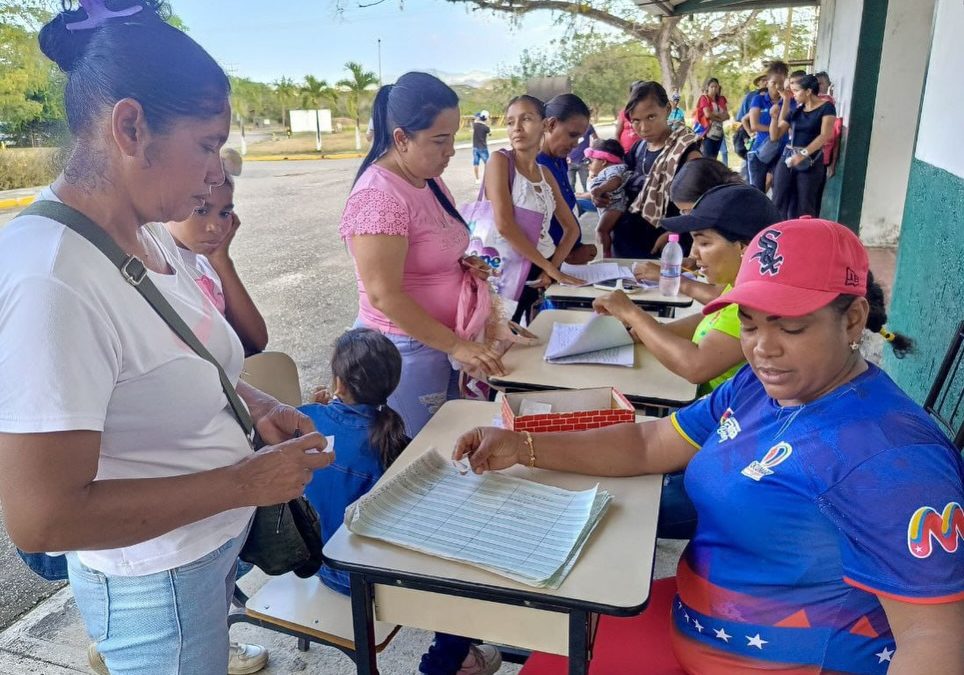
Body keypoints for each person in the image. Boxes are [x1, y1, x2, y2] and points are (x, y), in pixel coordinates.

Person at [454, 217, 964, 675]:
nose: (763, 347)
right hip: (695, 619)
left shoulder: (894, 460)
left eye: (790, 326)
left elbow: (935, 640)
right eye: (748, 322)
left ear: (852, 320)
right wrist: (523, 446)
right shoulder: (760, 385)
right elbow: (652, 441)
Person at [0, 3, 335, 674]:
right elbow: (43, 519)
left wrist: (256, 406)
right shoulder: (52, 278)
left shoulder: (148, 231)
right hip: (157, 589)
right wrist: (245, 482)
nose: (217, 172)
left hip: (203, 557)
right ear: (131, 127)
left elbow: (176, 355)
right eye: (207, 144)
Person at [301, 328, 502, 675]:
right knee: (459, 571)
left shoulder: (305, 420)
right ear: (392, 385)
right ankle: (447, 663)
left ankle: (460, 659)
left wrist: (319, 408)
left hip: (323, 568)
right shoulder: (395, 444)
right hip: (374, 584)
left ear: (338, 383)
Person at [340, 71, 505, 439]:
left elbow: (429, 246)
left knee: (455, 439)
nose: (450, 151)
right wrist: (458, 346)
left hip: (440, 342)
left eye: (453, 138)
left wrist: (459, 264)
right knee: (423, 450)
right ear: (401, 138)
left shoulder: (426, 176)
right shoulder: (378, 196)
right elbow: (385, 295)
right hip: (404, 350)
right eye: (440, 140)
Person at [486, 95, 582, 323]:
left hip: (539, 275)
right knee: (499, 338)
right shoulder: (499, 161)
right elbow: (504, 225)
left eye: (526, 119)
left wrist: (552, 268)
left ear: (545, 125)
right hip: (507, 272)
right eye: (510, 122)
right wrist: (550, 267)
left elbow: (572, 229)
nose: (516, 128)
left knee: (531, 338)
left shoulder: (544, 173)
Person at [165, 148, 268, 356]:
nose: (216, 226)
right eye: (201, 210)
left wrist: (221, 259)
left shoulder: (206, 264)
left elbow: (257, 340)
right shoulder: (163, 267)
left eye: (225, 213)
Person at [604, 81, 702, 259]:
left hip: (666, 249)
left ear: (668, 110)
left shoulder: (687, 153)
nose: (643, 128)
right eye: (636, 121)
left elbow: (703, 206)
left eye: (651, 117)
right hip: (628, 246)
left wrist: (679, 235)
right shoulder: (638, 149)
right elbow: (622, 182)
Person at [536, 93, 598, 265]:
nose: (576, 144)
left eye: (579, 138)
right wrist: (565, 257)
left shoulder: (560, 161)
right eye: (572, 135)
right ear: (551, 124)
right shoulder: (534, 167)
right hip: (547, 263)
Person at [770, 73, 837, 219]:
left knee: (804, 204)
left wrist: (802, 154)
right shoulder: (797, 111)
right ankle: (777, 234)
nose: (793, 95)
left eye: (796, 91)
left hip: (811, 160)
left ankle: (804, 237)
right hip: (788, 158)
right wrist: (774, 118)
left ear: (808, 91)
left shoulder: (827, 107)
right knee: (779, 199)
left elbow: (825, 135)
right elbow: (775, 135)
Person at [746, 60, 790, 192]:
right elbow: (754, 125)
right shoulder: (758, 99)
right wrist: (774, 131)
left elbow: (784, 122)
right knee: (756, 190)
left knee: (777, 188)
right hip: (760, 151)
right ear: (767, 82)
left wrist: (786, 101)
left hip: (781, 151)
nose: (777, 87)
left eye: (781, 84)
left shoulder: (788, 101)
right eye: (773, 83)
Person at [584, 139, 630, 259]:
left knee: (601, 230)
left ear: (604, 161)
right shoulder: (604, 171)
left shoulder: (612, 170)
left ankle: (605, 256)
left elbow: (615, 181)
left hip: (615, 205)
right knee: (605, 230)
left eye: (591, 161)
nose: (588, 164)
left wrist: (599, 189)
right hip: (610, 205)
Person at [695, 77, 729, 160]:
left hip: (718, 132)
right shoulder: (704, 98)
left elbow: (727, 115)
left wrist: (716, 115)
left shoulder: (721, 99)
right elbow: (707, 114)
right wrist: (720, 118)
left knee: (714, 158)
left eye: (716, 87)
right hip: (707, 132)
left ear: (718, 87)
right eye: (712, 87)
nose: (714, 89)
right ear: (708, 87)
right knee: (707, 158)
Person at [566, 121, 597, 194]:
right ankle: (573, 203)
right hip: (570, 161)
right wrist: (566, 156)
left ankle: (587, 202)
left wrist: (591, 152)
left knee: (586, 185)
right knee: (570, 184)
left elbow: (596, 139)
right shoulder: (567, 126)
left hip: (583, 161)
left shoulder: (588, 126)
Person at [614, 80, 643, 153]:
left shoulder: (648, 111)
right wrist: (619, 151)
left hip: (643, 151)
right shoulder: (624, 111)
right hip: (626, 151)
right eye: (635, 92)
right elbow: (617, 134)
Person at [471, 110, 491, 184]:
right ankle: (488, 178)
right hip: (483, 147)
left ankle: (477, 179)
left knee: (476, 163)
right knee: (488, 163)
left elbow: (476, 120)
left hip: (475, 147)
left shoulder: (475, 125)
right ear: (486, 118)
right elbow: (490, 133)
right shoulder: (486, 127)